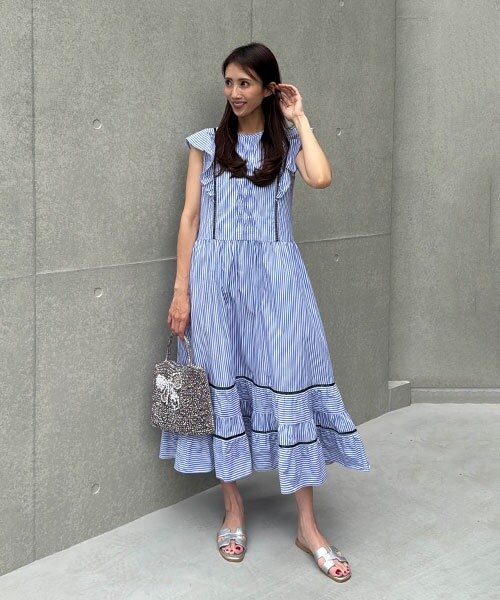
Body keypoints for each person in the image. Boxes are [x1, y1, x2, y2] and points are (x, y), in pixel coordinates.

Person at [160, 42, 370, 582]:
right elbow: (189, 218)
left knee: (291, 381)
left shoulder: (290, 143)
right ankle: (232, 509)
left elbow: (321, 177)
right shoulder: (206, 145)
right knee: (219, 383)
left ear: (268, 88)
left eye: (245, 83)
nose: (234, 92)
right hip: (214, 282)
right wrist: (181, 291)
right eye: (229, 82)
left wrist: (300, 117)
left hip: (278, 282)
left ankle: (308, 527)